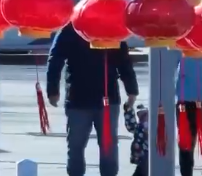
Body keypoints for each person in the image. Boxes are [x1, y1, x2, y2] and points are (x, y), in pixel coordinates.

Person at [47, 25, 139, 176]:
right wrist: (53, 89)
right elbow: (56, 58)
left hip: (106, 98)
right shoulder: (72, 28)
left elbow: (123, 60)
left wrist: (131, 89)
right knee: (76, 145)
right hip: (78, 98)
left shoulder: (110, 25)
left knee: (107, 146)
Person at [124, 103, 149, 176]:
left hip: (149, 160)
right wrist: (128, 110)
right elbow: (131, 126)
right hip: (141, 159)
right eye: (140, 116)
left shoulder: (153, 126)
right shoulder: (139, 128)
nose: (142, 118)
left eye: (145, 115)